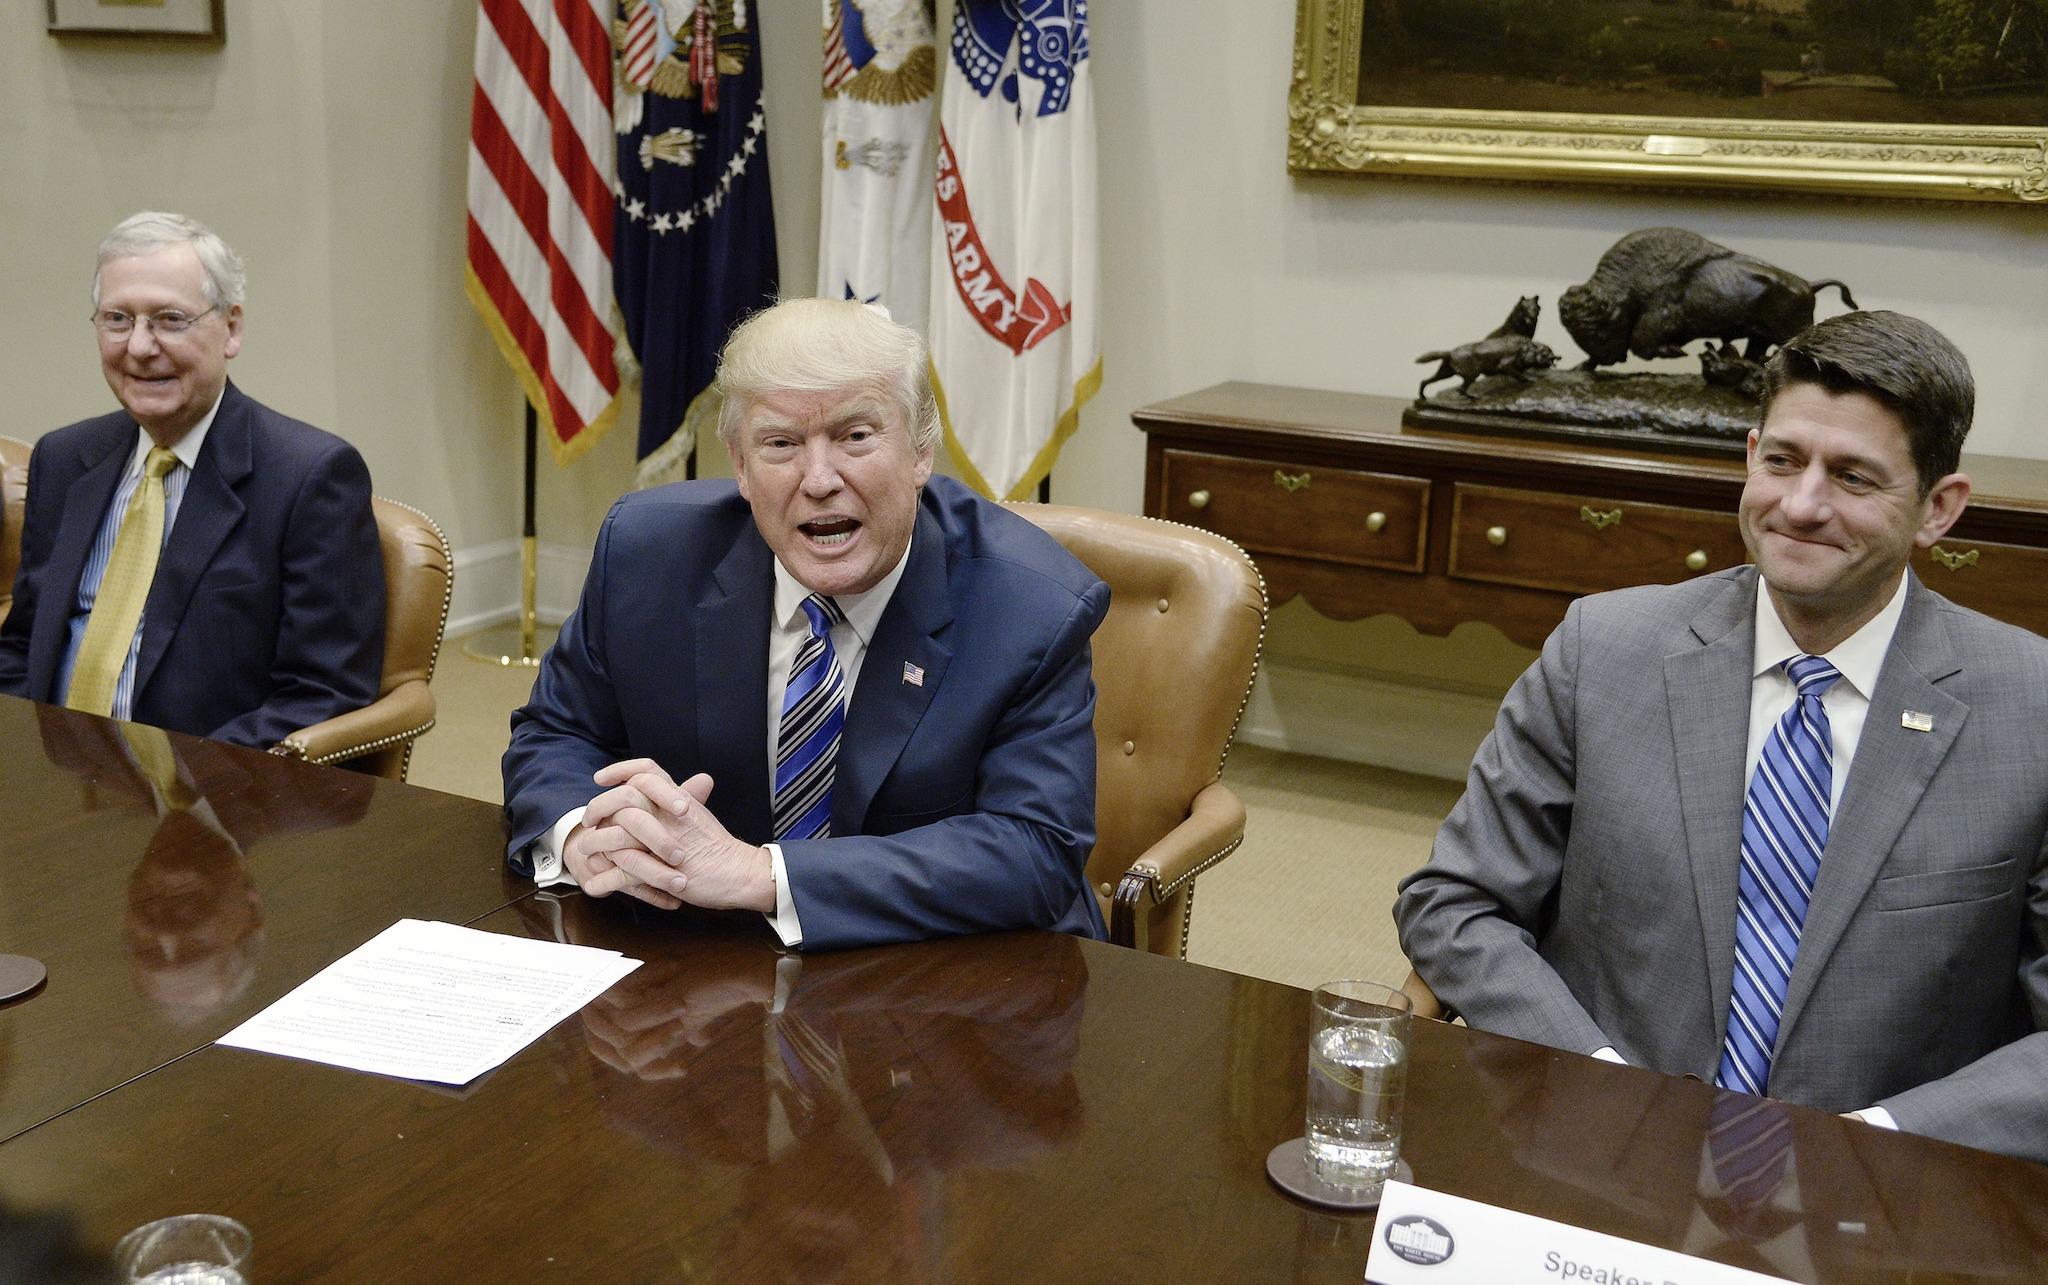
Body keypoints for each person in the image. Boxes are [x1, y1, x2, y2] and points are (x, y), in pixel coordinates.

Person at [1396, 309, 2048, 1163]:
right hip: (1595, 1157)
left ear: (1938, 509)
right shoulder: (1605, 652)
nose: (1801, 506)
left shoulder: (2031, 710)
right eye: (1782, 461)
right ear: (1750, 458)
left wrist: (1873, 1147)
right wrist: (1596, 1080)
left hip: (1882, 1204)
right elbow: (1457, 902)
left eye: (1853, 478)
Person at [503, 297, 1109, 951]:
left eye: (855, 436)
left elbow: (1035, 849)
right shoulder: (646, 555)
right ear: (738, 463)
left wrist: (764, 874)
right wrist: (580, 834)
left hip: (957, 973)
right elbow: (556, 731)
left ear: (920, 453)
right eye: (781, 444)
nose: (819, 479)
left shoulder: (1030, 607)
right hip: (708, 967)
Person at [0, 212, 384, 747]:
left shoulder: (310, 478)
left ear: (231, 328)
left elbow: (323, 692)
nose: (138, 347)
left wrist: (186, 788)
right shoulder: (63, 459)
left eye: (169, 319)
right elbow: (21, 649)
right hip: (51, 781)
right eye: (117, 319)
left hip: (199, 800)